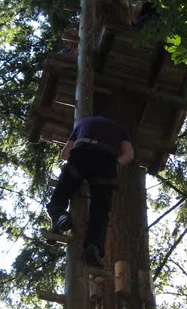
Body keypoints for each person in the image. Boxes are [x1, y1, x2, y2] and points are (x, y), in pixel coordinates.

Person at [46, 115, 134, 269]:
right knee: (100, 209)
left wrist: (78, 171)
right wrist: (114, 164)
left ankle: (59, 214)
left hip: (82, 152)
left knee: (64, 188)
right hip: (107, 161)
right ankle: (94, 247)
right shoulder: (121, 130)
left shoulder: (83, 122)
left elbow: (65, 154)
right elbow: (129, 154)